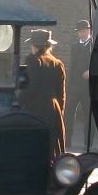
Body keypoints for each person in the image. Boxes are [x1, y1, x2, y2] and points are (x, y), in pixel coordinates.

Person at [19, 29, 66, 158]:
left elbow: (31, 87)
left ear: (34, 46)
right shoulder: (58, 63)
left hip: (35, 108)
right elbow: (61, 93)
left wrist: (18, 103)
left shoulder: (32, 60)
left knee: (33, 146)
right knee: (51, 146)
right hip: (53, 108)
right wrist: (60, 112)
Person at [65, 20, 92, 149]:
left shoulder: (93, 46)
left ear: (89, 31)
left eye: (84, 31)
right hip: (74, 86)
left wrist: (91, 70)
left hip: (87, 87)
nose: (82, 34)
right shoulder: (75, 47)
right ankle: (67, 141)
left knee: (88, 114)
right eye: (80, 32)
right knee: (68, 113)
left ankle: (88, 143)